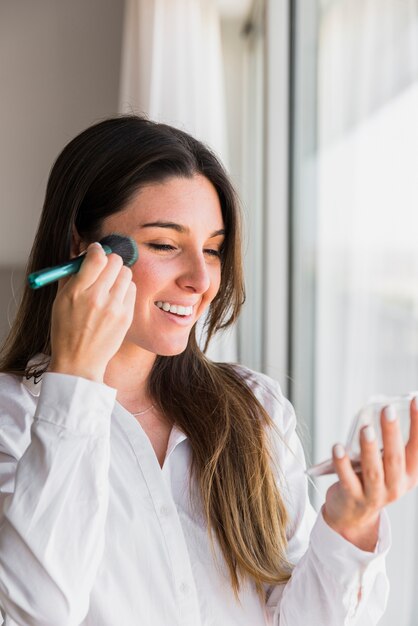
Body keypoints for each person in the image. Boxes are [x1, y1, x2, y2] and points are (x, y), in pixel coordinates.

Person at [0, 115, 416, 626]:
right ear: (79, 250)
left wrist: (350, 524)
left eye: (214, 250)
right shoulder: (10, 419)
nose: (201, 279)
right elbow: (36, 611)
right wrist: (77, 378)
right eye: (164, 245)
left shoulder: (253, 407)